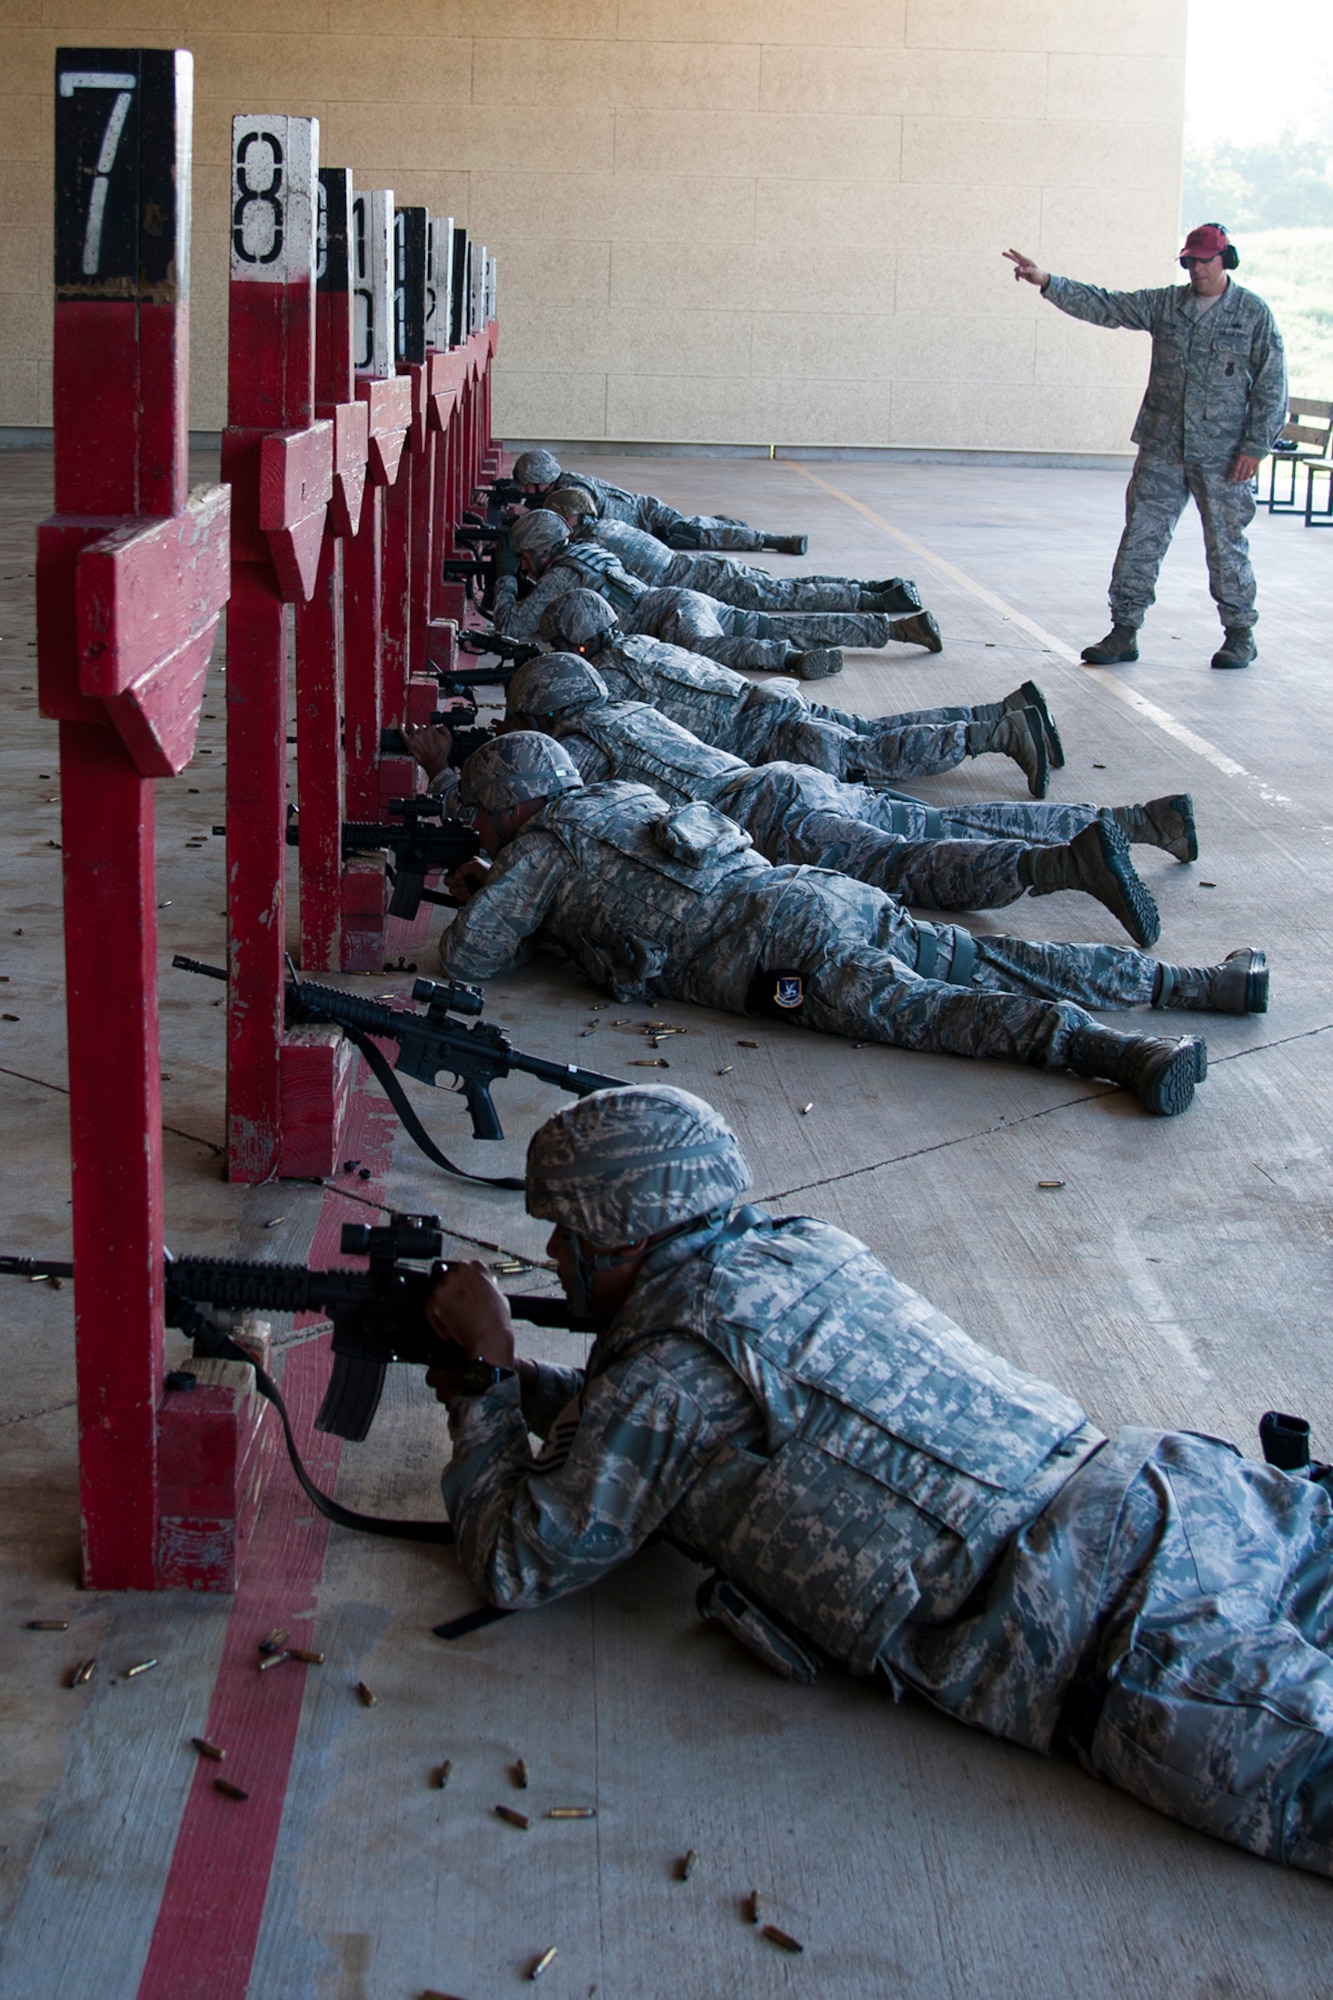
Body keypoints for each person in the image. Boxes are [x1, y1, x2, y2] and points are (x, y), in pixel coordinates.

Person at [426, 1084, 1333, 1881]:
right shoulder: (801, 1246)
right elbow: (682, 1426)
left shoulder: (669, 1377)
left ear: (623, 1239)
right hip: (1187, 1495)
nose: (550, 1251)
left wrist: (488, 1376)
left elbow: (518, 1557)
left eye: (568, 1232)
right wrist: (534, 1391)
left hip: (1132, 1636)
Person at [435, 733, 1270, 1116]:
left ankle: (1119, 1052)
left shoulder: (539, 850)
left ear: (506, 810)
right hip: (814, 894)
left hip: (783, 970)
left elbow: (470, 957)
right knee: (988, 959)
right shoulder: (620, 795)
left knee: (935, 1012)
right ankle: (1205, 984)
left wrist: (491, 887)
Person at [503, 651, 1162, 943]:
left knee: (906, 864)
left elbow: (534, 804)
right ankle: (1136, 822)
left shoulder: (581, 749)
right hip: (784, 781)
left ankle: (1061, 865)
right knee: (940, 821)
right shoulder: (624, 711)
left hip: (774, 818)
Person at [539, 590, 1194, 855]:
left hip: (773, 748)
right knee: (878, 744)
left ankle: (994, 733)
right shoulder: (635, 649)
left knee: (892, 770)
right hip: (771, 718)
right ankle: (1000, 720)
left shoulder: (609, 692)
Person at [1004, 227, 1287, 670]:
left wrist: (1256, 446)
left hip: (1224, 454)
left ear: (1226, 260)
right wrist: (1049, 282)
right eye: (1190, 261)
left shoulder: (1252, 314)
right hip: (1163, 447)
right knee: (1140, 538)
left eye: (1205, 261)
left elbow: (1272, 385)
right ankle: (1124, 630)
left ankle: (1239, 633)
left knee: (1226, 545)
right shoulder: (1166, 305)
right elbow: (1108, 305)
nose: (1197, 269)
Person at [491, 511, 936, 680]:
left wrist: (506, 578)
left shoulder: (559, 576)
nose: (525, 563)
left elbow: (512, 625)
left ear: (540, 551)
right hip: (680, 597)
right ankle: (894, 628)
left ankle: (787, 659)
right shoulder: (589, 548)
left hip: (671, 617)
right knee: (779, 614)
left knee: (708, 648)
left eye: (525, 557)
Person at [541, 483, 928, 621]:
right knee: (789, 589)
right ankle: (873, 588)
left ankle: (876, 597)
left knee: (788, 599)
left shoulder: (592, 544)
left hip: (704, 581)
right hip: (707, 571)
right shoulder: (610, 525)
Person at [509, 447, 808, 553]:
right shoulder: (563, 484)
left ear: (541, 481)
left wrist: (525, 515)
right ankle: (724, 524)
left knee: (700, 536)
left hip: (648, 519)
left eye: (527, 486)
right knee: (700, 530)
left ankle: (774, 540)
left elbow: (569, 524)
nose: (524, 490)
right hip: (643, 519)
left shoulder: (573, 494)